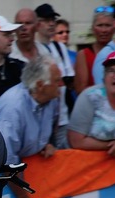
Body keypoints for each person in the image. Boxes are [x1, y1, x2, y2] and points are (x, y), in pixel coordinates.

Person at [0, 55, 61, 198]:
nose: (61, 85)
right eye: (57, 81)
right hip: (2, 178)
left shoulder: (52, 97)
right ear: (41, 85)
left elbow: (53, 124)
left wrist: (46, 144)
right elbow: (7, 162)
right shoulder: (11, 109)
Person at [35, 3, 74, 148]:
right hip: (40, 119)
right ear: (37, 23)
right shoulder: (32, 48)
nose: (51, 24)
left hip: (62, 117)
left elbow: (69, 80)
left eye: (53, 20)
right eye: (46, 20)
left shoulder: (60, 47)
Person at [73, 6, 115, 94]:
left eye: (107, 25)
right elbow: (80, 89)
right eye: (100, 25)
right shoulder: (83, 55)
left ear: (114, 28)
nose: (104, 30)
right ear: (93, 29)